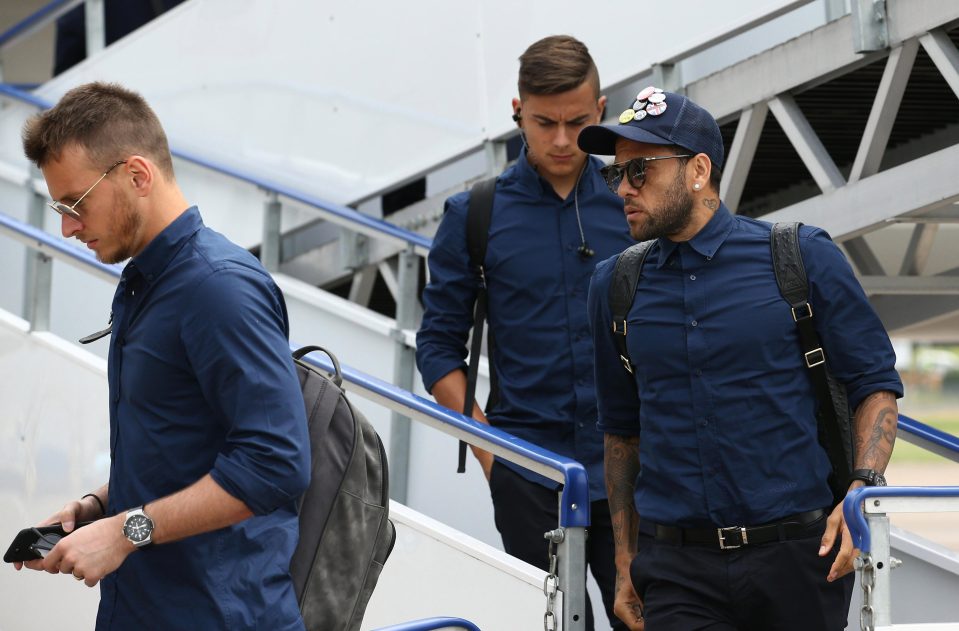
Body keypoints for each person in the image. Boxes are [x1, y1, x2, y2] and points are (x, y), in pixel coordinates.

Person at [579, 88, 904, 630]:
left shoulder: (803, 257)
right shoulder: (613, 287)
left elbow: (875, 382)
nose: (623, 190)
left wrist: (862, 489)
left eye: (640, 172)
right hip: (678, 570)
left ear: (699, 170)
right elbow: (621, 433)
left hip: (800, 559)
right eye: (616, 175)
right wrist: (622, 558)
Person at [15, 82, 311, 630]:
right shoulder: (146, 281)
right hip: (146, 609)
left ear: (137, 175)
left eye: (76, 203)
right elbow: (182, 444)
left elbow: (276, 463)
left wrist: (124, 532)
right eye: (59, 207)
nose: (66, 227)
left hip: (218, 616)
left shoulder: (218, 288)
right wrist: (98, 507)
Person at [416, 35, 633, 630]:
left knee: (652, 619)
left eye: (577, 122)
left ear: (601, 111)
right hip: (527, 468)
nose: (561, 140)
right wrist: (492, 456)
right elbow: (437, 346)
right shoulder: (474, 215)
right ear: (517, 112)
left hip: (638, 468)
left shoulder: (634, 203)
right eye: (544, 123)